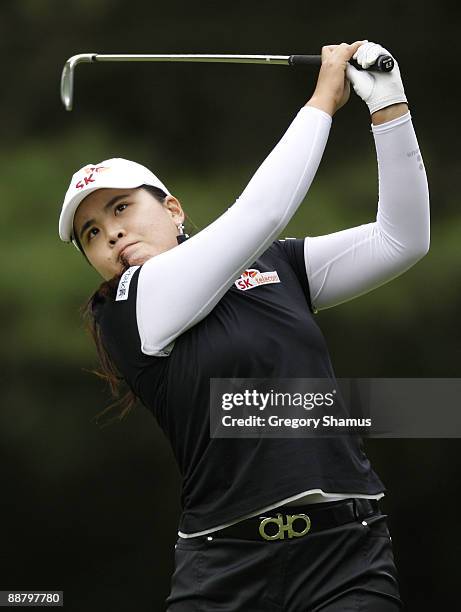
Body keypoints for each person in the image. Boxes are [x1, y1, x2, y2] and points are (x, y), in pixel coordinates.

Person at [58, 40, 429, 611]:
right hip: (225, 574)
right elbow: (261, 212)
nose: (108, 232)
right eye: (90, 233)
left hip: (345, 556)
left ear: (174, 209)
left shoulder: (276, 264)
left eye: (121, 207)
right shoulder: (129, 307)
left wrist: (388, 104)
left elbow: (402, 239)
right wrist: (323, 101)